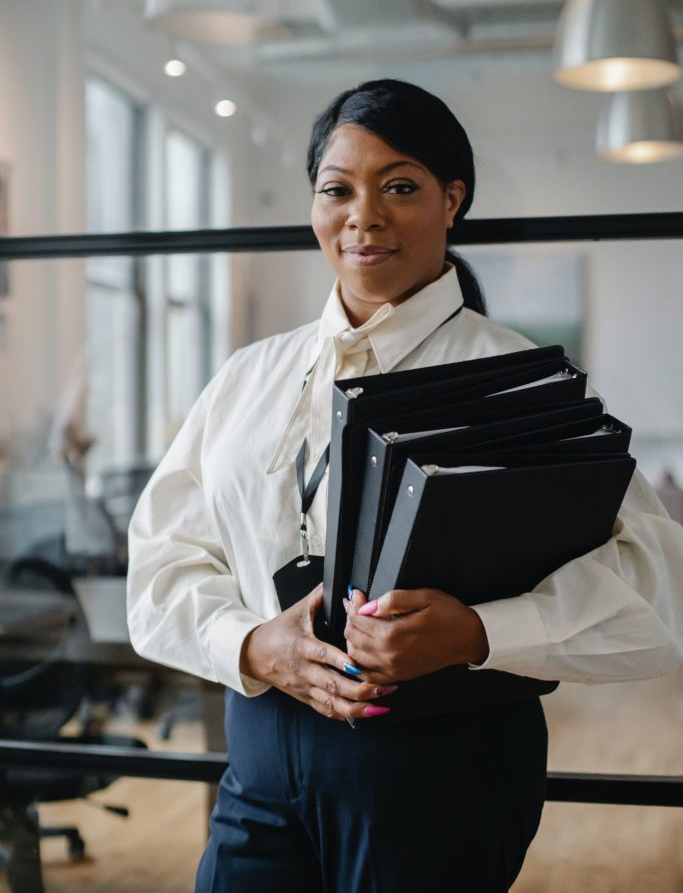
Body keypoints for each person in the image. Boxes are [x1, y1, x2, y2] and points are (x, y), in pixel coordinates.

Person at [127, 79, 683, 892]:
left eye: (398, 186)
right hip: (259, 757)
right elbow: (159, 561)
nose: (363, 216)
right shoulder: (248, 376)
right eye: (336, 189)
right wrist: (248, 644)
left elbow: (654, 593)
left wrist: (479, 632)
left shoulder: (519, 382)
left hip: (441, 775)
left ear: (451, 199)